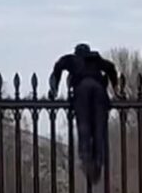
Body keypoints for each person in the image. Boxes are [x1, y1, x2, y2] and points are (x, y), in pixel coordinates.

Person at [48, 43, 120, 183]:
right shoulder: (96, 59)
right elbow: (111, 67)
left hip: (82, 90)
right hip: (99, 91)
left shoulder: (73, 59)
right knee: (100, 128)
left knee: (84, 125)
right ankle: (98, 161)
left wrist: (54, 89)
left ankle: (86, 158)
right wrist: (116, 89)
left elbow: (59, 65)